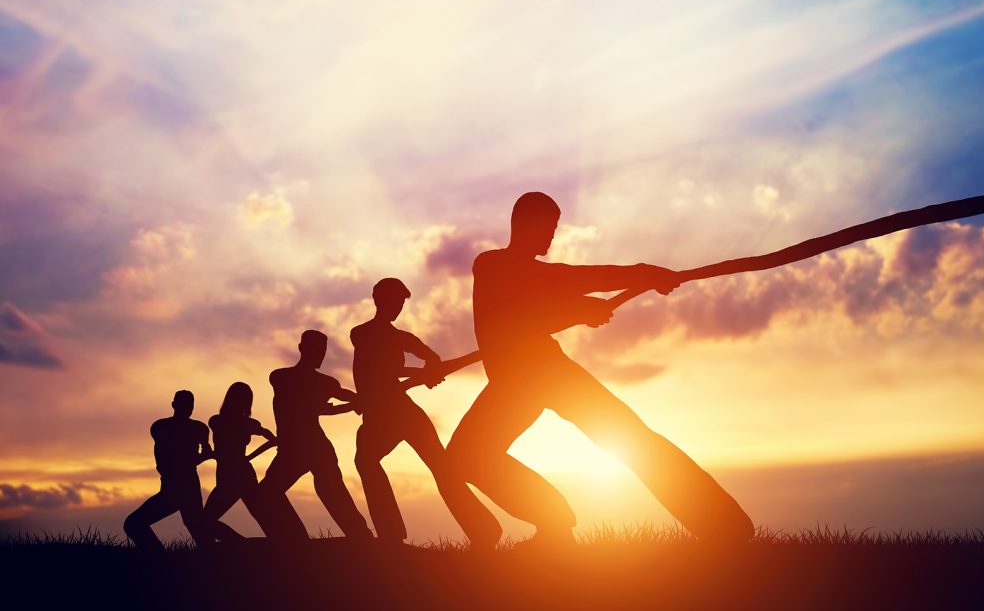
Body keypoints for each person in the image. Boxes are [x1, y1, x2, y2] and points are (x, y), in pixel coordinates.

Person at [447, 192, 755, 546]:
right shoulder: (492, 264)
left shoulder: (527, 274)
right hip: (519, 383)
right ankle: (554, 523)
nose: (551, 236)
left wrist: (640, 277)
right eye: (548, 227)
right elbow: (531, 304)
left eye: (554, 228)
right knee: (468, 457)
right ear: (524, 224)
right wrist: (587, 305)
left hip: (544, 373)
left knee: (629, 438)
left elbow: (561, 287)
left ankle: (725, 526)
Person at [350, 278, 502, 548]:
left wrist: (430, 371)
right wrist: (420, 374)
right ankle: (392, 534)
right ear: (378, 300)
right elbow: (379, 371)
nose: (397, 308)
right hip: (380, 415)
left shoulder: (403, 338)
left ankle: (485, 531)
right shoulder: (361, 333)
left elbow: (432, 359)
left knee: (440, 468)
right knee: (367, 461)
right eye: (394, 301)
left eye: (401, 303)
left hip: (399, 410)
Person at [257, 329, 373, 542]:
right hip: (293, 448)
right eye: (316, 349)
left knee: (331, 492)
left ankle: (361, 536)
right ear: (302, 348)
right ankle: (297, 537)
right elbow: (307, 407)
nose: (321, 355)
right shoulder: (281, 377)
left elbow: (349, 397)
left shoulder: (326, 383)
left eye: (323, 350)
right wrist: (350, 405)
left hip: (315, 447)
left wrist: (360, 401)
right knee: (267, 493)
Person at [124, 390, 214, 552]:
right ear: (173, 405)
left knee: (133, 524)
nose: (188, 408)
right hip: (177, 485)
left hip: (181, 486)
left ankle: (161, 557)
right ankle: (162, 557)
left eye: (190, 405)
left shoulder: (190, 428)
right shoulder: (162, 427)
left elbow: (193, 456)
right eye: (185, 405)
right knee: (196, 527)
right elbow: (193, 456)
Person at [204, 381, 276, 541]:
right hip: (235, 473)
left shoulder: (217, 421)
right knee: (262, 517)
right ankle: (243, 545)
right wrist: (248, 457)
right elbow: (272, 439)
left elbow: (273, 440)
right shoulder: (240, 423)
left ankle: (246, 546)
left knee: (205, 521)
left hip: (235, 474)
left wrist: (247, 457)